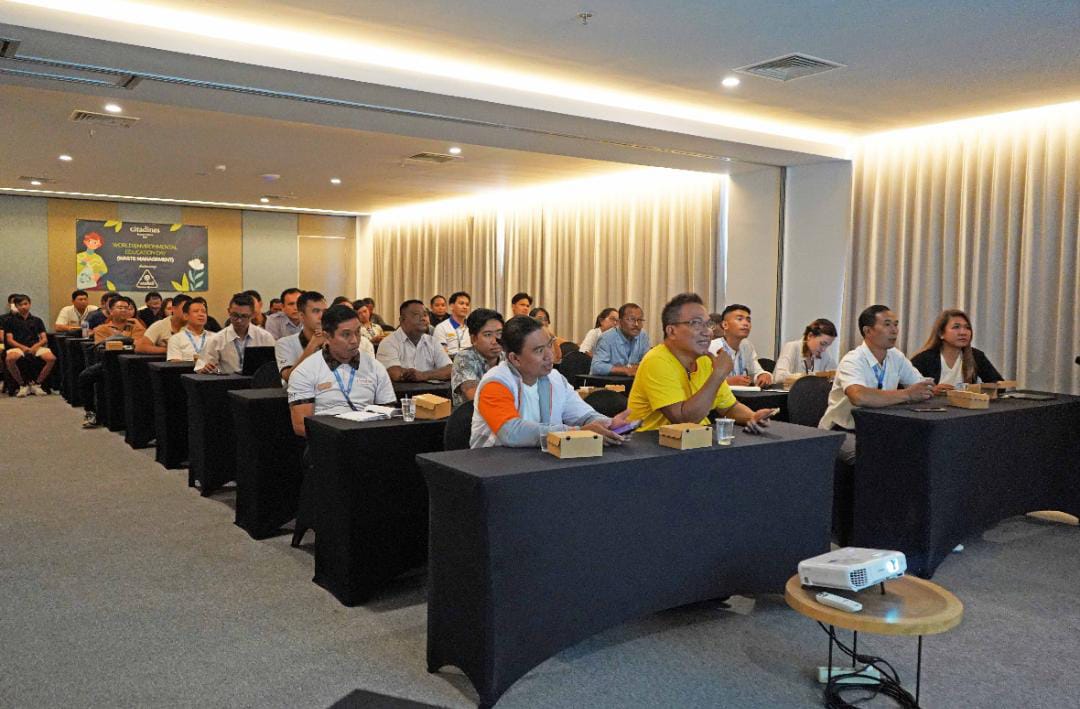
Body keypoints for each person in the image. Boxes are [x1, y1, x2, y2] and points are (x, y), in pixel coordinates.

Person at [471, 315, 630, 448]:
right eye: (539, 350)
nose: (549, 355)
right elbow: (512, 432)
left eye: (548, 345)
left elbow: (583, 415)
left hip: (542, 461)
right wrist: (576, 432)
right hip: (496, 467)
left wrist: (607, 424)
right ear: (515, 358)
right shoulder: (495, 383)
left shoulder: (555, 378)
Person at [628, 293, 775, 433]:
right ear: (672, 331)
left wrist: (752, 417)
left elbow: (729, 407)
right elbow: (684, 420)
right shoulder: (657, 361)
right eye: (696, 323)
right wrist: (718, 374)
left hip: (697, 441)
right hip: (656, 445)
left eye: (708, 324)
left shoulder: (705, 360)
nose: (707, 332)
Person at [818, 305, 934, 463]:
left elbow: (921, 386)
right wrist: (907, 394)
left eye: (896, 324)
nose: (894, 330)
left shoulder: (896, 357)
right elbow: (859, 397)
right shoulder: (853, 360)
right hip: (841, 431)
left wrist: (924, 390)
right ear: (867, 331)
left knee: (917, 450)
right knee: (876, 458)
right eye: (887, 324)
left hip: (878, 429)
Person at [287, 304, 396, 436]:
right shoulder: (305, 371)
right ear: (327, 337)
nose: (355, 341)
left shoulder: (375, 367)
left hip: (367, 436)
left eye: (357, 332)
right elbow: (301, 426)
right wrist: (343, 436)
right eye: (346, 335)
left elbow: (388, 412)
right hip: (326, 443)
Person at [79, 295, 145, 426]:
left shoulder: (136, 324)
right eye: (120, 307)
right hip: (109, 364)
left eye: (127, 308)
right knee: (84, 377)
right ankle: (90, 412)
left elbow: (140, 342)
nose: (124, 310)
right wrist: (126, 340)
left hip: (133, 363)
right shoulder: (102, 328)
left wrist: (118, 340)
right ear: (111, 310)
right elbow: (100, 347)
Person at [910, 309, 1003, 394]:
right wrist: (930, 390)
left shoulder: (976, 356)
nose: (963, 332)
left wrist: (975, 389)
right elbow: (903, 388)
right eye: (956, 327)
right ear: (941, 334)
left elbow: (1000, 386)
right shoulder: (924, 358)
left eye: (967, 327)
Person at [195, 292, 275, 374]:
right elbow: (201, 366)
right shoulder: (217, 339)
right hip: (228, 383)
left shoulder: (265, 337)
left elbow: (273, 366)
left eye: (244, 316)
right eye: (235, 315)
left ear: (253, 315)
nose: (239, 320)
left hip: (257, 383)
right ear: (229, 311)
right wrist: (205, 369)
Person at [377, 299, 452, 382]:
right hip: (401, 393)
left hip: (431, 393)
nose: (423, 318)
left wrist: (424, 375)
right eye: (416, 315)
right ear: (402, 320)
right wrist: (434, 374)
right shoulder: (388, 343)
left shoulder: (433, 342)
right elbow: (394, 373)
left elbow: (450, 370)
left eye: (425, 314)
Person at [4, 294, 56, 397]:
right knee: (10, 359)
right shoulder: (9, 321)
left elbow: (44, 338)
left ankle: (37, 384)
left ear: (30, 304)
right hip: (17, 347)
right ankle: (22, 385)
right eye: (20, 305)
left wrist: (35, 347)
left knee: (51, 358)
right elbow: (9, 340)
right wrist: (23, 348)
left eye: (25, 304)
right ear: (16, 306)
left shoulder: (37, 320)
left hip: (35, 346)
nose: (23, 306)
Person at [708, 304, 772, 387]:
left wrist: (763, 375)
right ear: (725, 325)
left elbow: (755, 371)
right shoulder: (712, 347)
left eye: (748, 320)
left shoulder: (746, 346)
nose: (746, 324)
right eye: (739, 319)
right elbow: (702, 382)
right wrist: (728, 381)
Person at [451, 308, 504, 408]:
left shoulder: (507, 357)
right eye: (488, 335)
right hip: (471, 420)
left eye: (499, 333)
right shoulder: (464, 358)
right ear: (473, 339)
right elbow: (474, 396)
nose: (495, 340)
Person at [590, 302, 650, 375]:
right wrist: (625, 370)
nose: (636, 324)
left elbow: (647, 362)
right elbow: (596, 367)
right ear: (620, 322)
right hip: (606, 383)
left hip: (632, 382)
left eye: (640, 320)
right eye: (632, 319)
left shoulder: (643, 335)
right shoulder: (607, 338)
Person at [772, 318, 839, 384]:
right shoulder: (792, 347)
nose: (824, 349)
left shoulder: (825, 354)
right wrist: (808, 377)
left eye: (827, 346)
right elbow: (779, 377)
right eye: (822, 344)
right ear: (810, 336)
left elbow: (836, 376)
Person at [166, 298, 212, 363]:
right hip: (186, 372)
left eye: (204, 312)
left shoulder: (216, 338)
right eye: (196, 311)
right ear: (186, 316)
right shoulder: (176, 339)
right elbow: (175, 365)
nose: (201, 314)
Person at [434, 291, 472, 356]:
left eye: (467, 304)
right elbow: (441, 355)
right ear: (451, 306)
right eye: (461, 303)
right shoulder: (441, 327)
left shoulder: (472, 326)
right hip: (450, 362)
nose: (465, 307)